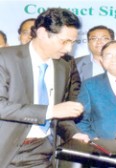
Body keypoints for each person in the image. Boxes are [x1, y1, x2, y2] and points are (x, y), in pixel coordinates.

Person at [0, 8, 89, 167]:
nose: (69, 49)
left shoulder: (64, 66)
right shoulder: (4, 58)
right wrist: (50, 111)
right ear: (42, 33)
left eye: (73, 42)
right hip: (5, 150)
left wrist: (74, 134)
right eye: (64, 41)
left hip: (42, 151)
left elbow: (60, 114)